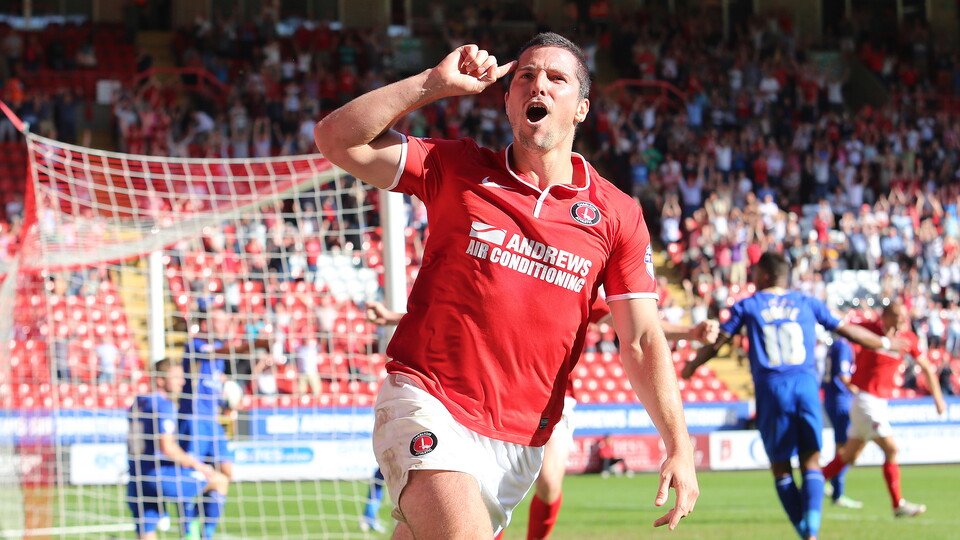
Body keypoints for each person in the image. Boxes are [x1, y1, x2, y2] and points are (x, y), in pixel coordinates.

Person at [316, 33, 699, 539]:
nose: (538, 83)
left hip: (520, 441)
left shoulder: (617, 214)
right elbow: (336, 139)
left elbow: (642, 338)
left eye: (556, 78)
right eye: (525, 76)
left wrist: (679, 442)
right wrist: (432, 84)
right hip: (429, 402)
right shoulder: (454, 167)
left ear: (581, 108)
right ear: (509, 98)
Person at [364, 299, 717, 540]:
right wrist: (395, 316)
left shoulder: (575, 279)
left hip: (556, 402)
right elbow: (461, 307)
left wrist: (690, 333)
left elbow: (637, 327)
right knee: (474, 494)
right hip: (495, 395)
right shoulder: (516, 269)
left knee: (549, 482)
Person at [681, 252, 904, 540]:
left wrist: (690, 367)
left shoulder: (749, 305)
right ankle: (812, 531)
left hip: (772, 390)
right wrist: (887, 342)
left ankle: (804, 533)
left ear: (763, 276)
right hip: (806, 387)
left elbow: (719, 342)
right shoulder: (807, 303)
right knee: (811, 462)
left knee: (781, 468)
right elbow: (849, 331)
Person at [820, 299, 947, 518]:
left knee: (848, 456)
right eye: (898, 317)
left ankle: (810, 485)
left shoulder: (907, 339)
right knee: (891, 449)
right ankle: (898, 504)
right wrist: (821, 307)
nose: (902, 322)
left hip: (878, 402)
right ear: (885, 316)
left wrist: (938, 398)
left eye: (904, 318)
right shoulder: (870, 330)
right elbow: (844, 322)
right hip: (866, 400)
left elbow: (926, 368)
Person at [178, 308, 266, 539]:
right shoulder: (195, 345)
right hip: (193, 420)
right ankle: (189, 529)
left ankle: (200, 523)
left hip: (213, 421)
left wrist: (228, 398)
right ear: (206, 323)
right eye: (218, 321)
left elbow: (216, 379)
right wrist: (250, 346)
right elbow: (218, 354)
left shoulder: (218, 355)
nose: (223, 325)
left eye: (225, 321)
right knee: (193, 477)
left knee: (226, 472)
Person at [127, 358, 229, 540]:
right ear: (160, 380)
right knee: (219, 480)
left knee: (146, 531)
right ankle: (198, 531)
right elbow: (166, 446)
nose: (182, 381)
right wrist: (198, 465)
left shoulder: (138, 402)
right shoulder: (164, 405)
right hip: (159, 476)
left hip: (137, 476)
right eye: (175, 377)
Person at [820, 336, 863, 508]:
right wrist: (861, 394)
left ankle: (834, 489)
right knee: (848, 451)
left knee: (842, 449)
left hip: (833, 400)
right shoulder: (843, 345)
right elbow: (844, 377)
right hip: (841, 402)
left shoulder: (835, 345)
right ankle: (826, 484)